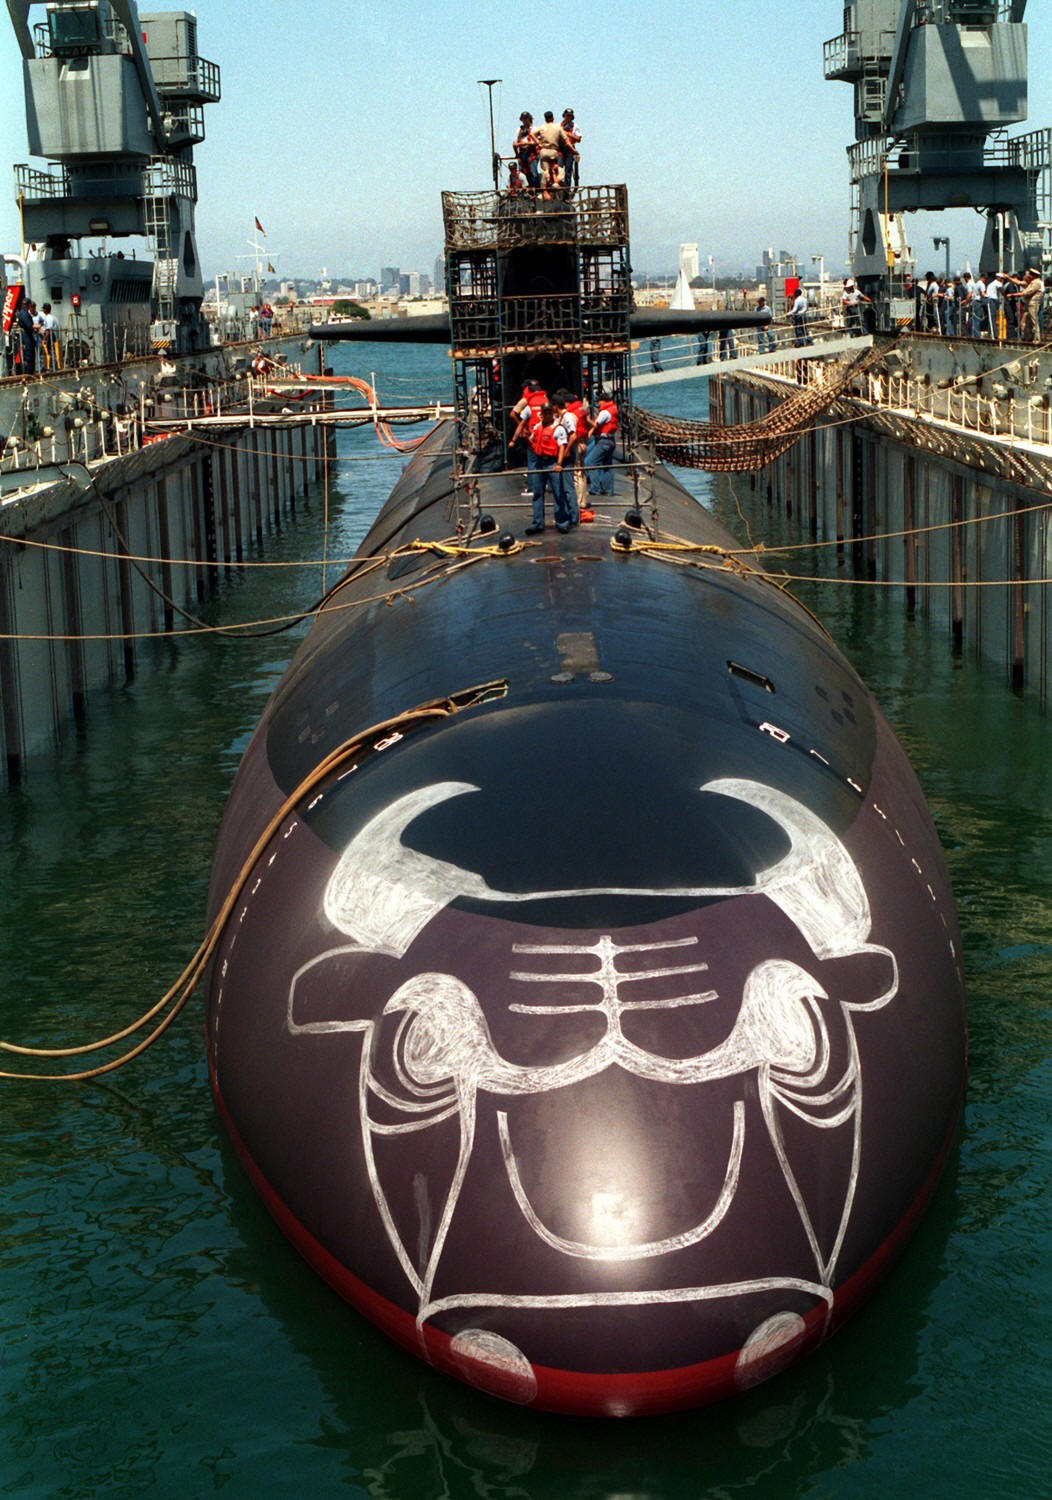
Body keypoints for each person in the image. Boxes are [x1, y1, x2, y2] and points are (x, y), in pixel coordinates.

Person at [524, 404, 573, 533]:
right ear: (542, 414)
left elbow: (562, 447)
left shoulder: (558, 429)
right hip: (540, 463)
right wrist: (524, 437)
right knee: (538, 493)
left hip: (552, 463)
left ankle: (562, 522)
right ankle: (538, 523)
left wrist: (559, 464)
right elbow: (532, 443)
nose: (547, 415)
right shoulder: (537, 428)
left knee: (558, 493)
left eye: (549, 413)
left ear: (552, 413)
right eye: (545, 413)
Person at [585, 388, 618, 495]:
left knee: (591, 463)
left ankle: (595, 488)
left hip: (604, 441)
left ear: (603, 401)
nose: (598, 405)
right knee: (607, 466)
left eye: (599, 402)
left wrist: (586, 419)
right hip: (611, 440)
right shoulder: (613, 409)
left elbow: (595, 425)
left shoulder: (605, 412)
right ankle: (608, 489)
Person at [534, 111, 576, 194]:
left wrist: (538, 143)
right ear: (553, 118)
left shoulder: (542, 127)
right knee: (557, 167)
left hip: (544, 151)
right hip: (554, 151)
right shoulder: (557, 127)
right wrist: (573, 150)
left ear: (545, 119)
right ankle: (556, 183)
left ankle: (545, 190)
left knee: (545, 171)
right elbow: (566, 140)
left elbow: (531, 133)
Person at [513, 113, 540, 190]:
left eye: (526, 118)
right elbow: (514, 143)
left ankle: (537, 190)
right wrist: (517, 154)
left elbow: (537, 143)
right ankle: (525, 190)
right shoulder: (519, 130)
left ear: (529, 119)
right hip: (522, 153)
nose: (525, 120)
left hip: (531, 152)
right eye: (523, 119)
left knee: (533, 172)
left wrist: (526, 143)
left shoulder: (534, 129)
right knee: (523, 172)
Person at [15, 294, 36, 375]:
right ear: (28, 305)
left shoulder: (25, 313)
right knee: (29, 356)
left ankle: (30, 373)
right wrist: (36, 327)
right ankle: (29, 374)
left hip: (28, 336)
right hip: (26, 336)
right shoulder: (23, 313)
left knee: (30, 356)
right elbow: (28, 325)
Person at [560, 109, 581, 190]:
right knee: (559, 168)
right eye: (567, 115)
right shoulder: (559, 125)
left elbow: (578, 139)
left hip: (570, 149)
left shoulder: (575, 126)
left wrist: (568, 134)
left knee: (568, 170)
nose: (568, 117)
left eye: (570, 116)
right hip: (560, 149)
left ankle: (567, 190)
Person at [38, 301, 59, 369]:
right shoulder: (49, 317)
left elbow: (48, 331)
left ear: (45, 309)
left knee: (51, 351)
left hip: (50, 336)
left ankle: (54, 367)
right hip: (49, 335)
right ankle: (52, 366)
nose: (43, 310)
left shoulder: (49, 318)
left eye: (43, 309)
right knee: (50, 351)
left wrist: (44, 339)